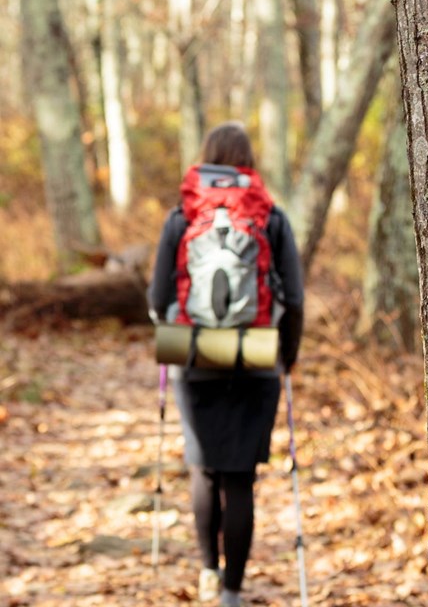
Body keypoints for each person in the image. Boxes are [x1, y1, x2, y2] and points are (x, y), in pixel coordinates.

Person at [149, 122, 304, 607]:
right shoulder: (272, 218)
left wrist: (176, 322)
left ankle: (207, 572)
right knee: (240, 478)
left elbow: (157, 299)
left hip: (194, 359)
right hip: (256, 359)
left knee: (204, 471)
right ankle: (232, 595)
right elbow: (294, 300)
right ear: (249, 162)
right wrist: (287, 358)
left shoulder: (180, 218)